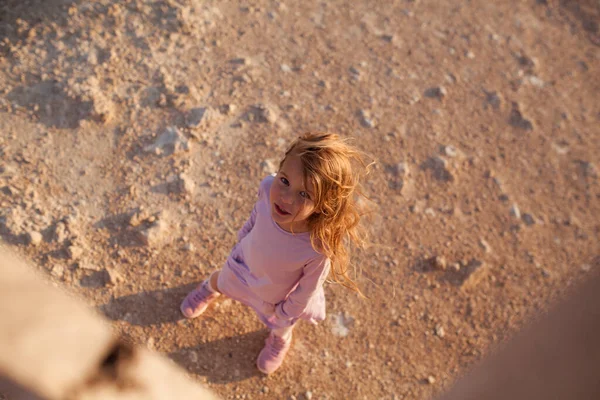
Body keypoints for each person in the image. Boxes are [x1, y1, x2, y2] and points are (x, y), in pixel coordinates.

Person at [180, 132, 372, 374]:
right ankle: (208, 288)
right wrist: (243, 237)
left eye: (304, 194)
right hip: (243, 266)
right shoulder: (267, 188)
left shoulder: (317, 247)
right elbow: (256, 214)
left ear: (324, 205)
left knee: (280, 324)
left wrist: (284, 312)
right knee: (222, 281)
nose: (285, 197)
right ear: (280, 170)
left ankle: (281, 338)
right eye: (285, 181)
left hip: (276, 295)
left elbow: (307, 289)